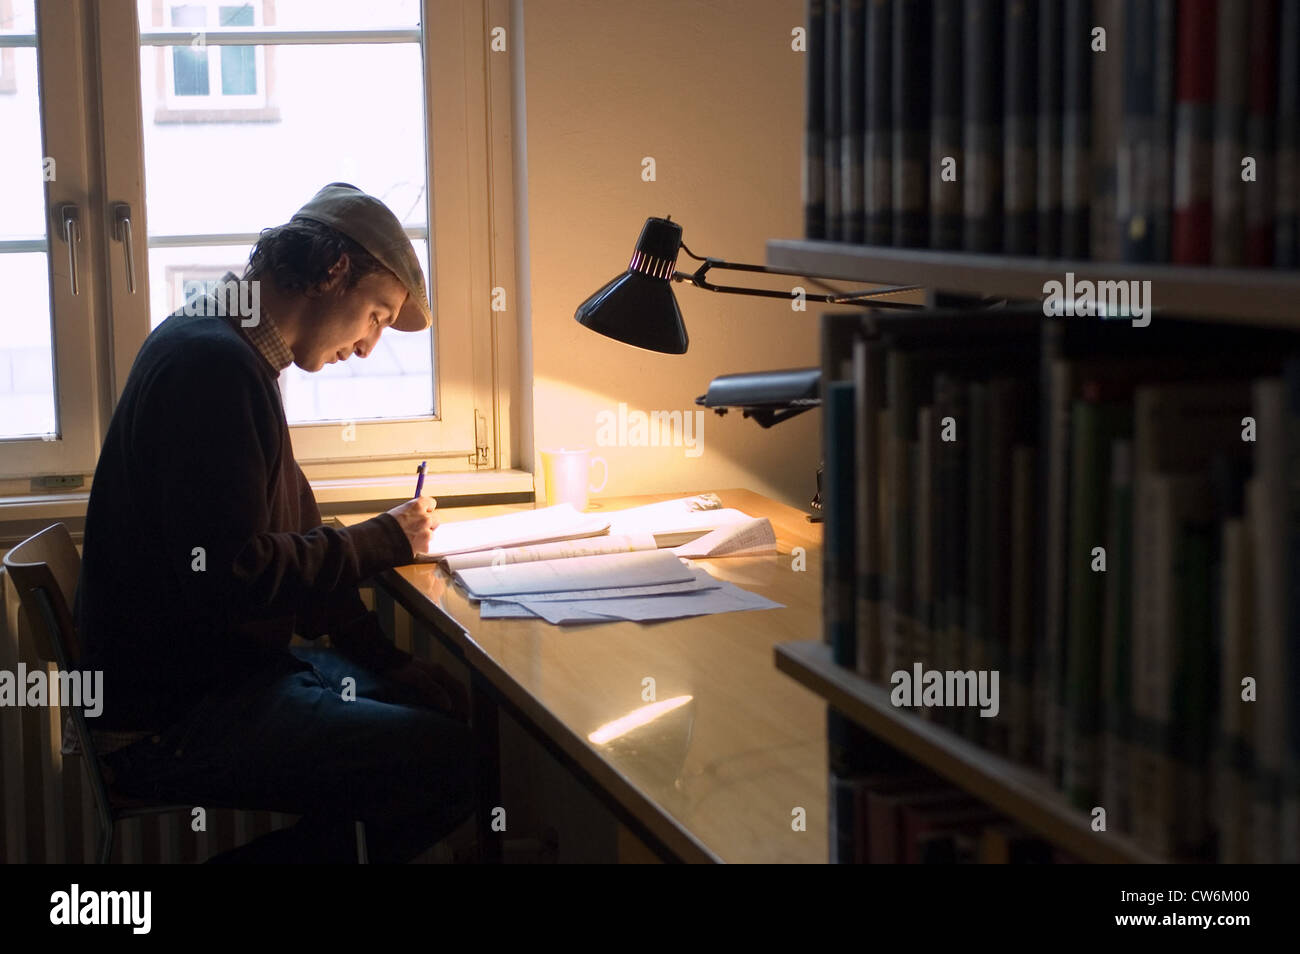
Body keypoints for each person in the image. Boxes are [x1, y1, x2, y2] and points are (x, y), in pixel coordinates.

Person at [74, 183, 475, 863]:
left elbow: (289, 535)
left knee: (444, 722)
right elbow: (237, 573)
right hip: (175, 719)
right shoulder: (212, 367)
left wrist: (387, 659)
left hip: (206, 688)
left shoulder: (227, 347)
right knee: (456, 761)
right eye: (377, 315)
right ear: (333, 270)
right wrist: (385, 539)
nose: (371, 345)